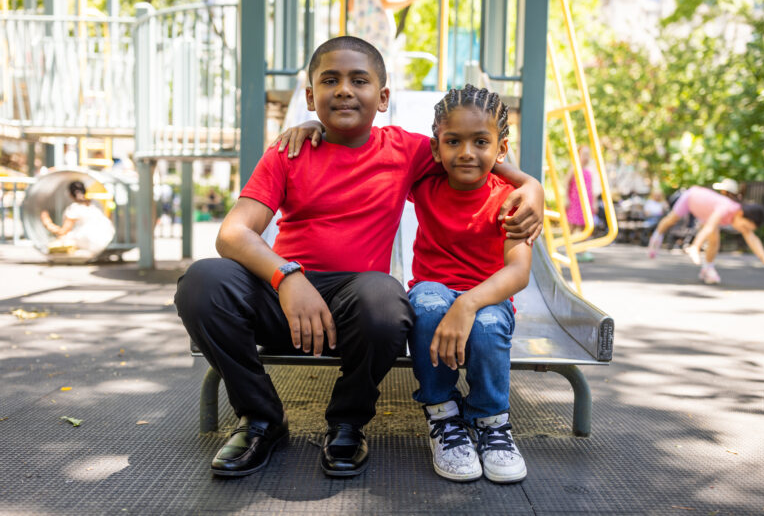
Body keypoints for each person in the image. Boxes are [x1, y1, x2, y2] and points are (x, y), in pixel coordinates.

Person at [174, 36, 544, 480]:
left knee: (386, 299)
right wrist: (287, 277)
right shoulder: (288, 151)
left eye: (359, 80)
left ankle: (348, 422)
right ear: (311, 97)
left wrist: (532, 187)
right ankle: (261, 420)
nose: (344, 89)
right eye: (330, 80)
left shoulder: (408, 151)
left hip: (356, 309)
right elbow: (233, 233)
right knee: (201, 283)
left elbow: (474, 156)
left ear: (383, 97)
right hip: (285, 299)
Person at [405, 85, 532, 483]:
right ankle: (443, 415)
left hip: (489, 295)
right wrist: (309, 128)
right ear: (435, 147)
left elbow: (518, 273)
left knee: (489, 324)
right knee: (426, 303)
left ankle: (492, 422)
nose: (465, 153)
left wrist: (467, 304)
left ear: (501, 147)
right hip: (434, 287)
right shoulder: (424, 183)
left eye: (481, 142)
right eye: (453, 141)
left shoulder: (513, 199)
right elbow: (361, 152)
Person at [647, 185, 764, 284]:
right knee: (672, 219)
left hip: (705, 213)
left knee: (714, 239)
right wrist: (695, 246)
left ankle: (707, 268)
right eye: (744, 226)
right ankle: (657, 235)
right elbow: (708, 227)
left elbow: (751, 237)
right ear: (742, 215)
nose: (742, 229)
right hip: (691, 198)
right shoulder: (726, 208)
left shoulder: (737, 216)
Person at [349, 0, 420, 70]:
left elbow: (350, 7)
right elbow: (387, 2)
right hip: (379, 32)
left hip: (360, 33)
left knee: (363, 70)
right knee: (380, 71)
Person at [39, 180, 115, 257]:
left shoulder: (74, 208)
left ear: (70, 194)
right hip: (106, 237)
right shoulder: (96, 203)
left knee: (62, 239)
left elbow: (63, 232)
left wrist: (47, 223)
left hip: (89, 241)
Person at [565, 145, 596, 261]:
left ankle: (583, 250)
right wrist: (566, 198)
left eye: (588, 155)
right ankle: (571, 249)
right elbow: (567, 183)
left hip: (586, 203)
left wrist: (594, 203)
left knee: (585, 226)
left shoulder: (588, 172)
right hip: (575, 201)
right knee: (572, 226)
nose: (587, 158)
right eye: (584, 155)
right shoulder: (574, 168)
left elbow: (591, 189)